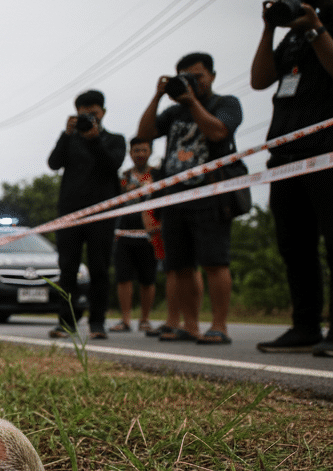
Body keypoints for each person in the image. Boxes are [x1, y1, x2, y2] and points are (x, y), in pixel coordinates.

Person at [136, 52, 243, 345]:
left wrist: (192, 101)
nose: (193, 82)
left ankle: (219, 326)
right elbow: (143, 135)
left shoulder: (225, 104)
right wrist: (158, 97)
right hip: (174, 197)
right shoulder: (173, 114)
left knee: (214, 262)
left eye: (198, 76)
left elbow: (218, 132)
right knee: (180, 266)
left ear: (211, 76)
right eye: (186, 77)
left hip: (210, 193)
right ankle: (191, 325)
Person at [251, 1, 333, 355]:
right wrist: (270, 27)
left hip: (327, 151)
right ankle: (305, 326)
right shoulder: (292, 34)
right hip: (286, 155)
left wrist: (317, 28)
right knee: (294, 247)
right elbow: (260, 80)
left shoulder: (319, 25)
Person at [47, 90, 128, 340]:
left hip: (102, 214)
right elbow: (53, 163)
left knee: (100, 269)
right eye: (83, 113)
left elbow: (112, 165)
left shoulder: (114, 140)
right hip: (70, 214)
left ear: (102, 112)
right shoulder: (70, 140)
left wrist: (94, 140)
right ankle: (66, 322)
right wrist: (67, 134)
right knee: (67, 269)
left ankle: (98, 322)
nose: (88, 117)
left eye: (92, 112)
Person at [109, 138, 164, 334]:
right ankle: (125, 320)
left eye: (143, 150)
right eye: (136, 151)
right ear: (130, 154)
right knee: (123, 278)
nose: (140, 154)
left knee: (148, 279)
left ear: (150, 151)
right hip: (123, 234)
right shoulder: (123, 177)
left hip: (149, 235)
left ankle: (145, 319)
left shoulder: (157, 175)